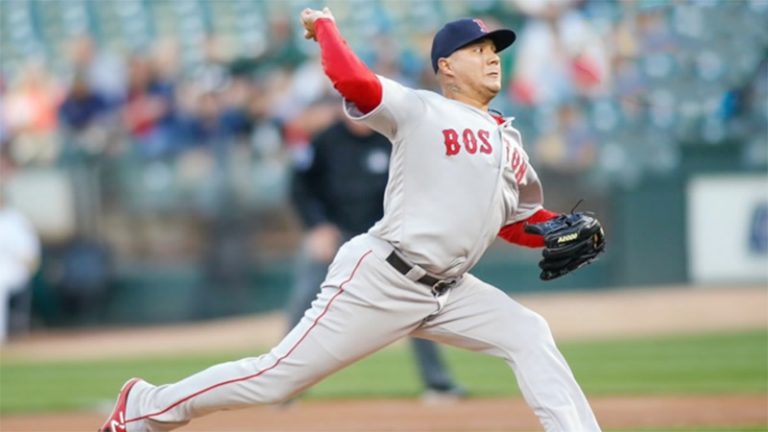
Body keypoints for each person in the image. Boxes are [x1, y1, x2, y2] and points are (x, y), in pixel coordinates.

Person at [99, 7, 604, 431]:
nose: (492, 57)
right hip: (383, 277)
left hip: (450, 290)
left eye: (495, 49)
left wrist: (561, 227)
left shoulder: (508, 141)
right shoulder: (421, 110)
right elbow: (353, 81)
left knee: (529, 332)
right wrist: (325, 27)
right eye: (478, 50)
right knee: (277, 377)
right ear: (446, 67)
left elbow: (519, 220)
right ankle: (145, 405)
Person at [287, 114, 465, 400]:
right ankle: (287, 385)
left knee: (416, 302)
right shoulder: (324, 141)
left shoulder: (393, 139)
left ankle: (439, 383)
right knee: (305, 299)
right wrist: (316, 226)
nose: (357, 112)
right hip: (337, 236)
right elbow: (299, 187)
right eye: (350, 104)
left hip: (386, 238)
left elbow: (421, 189)